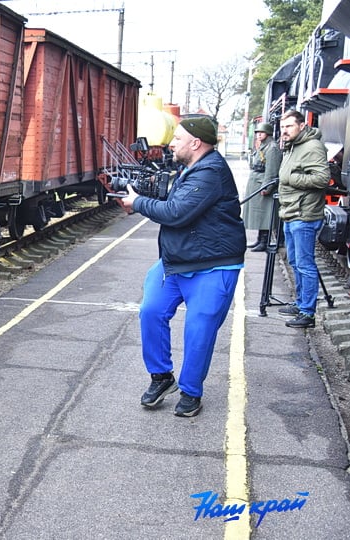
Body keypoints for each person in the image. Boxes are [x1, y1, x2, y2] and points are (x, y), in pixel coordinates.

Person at [120, 117, 246, 417]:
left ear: (195, 143)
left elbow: (177, 213)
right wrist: (144, 191)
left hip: (213, 265)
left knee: (199, 330)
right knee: (151, 311)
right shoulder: (190, 169)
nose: (171, 143)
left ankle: (191, 392)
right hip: (176, 260)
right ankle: (161, 377)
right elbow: (173, 198)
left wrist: (137, 203)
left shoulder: (211, 172)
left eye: (177, 138)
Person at [276, 109, 330, 328]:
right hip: (291, 212)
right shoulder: (293, 146)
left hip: (303, 215)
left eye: (288, 126)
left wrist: (290, 177)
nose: (284, 131)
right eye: (282, 127)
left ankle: (307, 313)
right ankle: (300, 303)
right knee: (296, 262)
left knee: (305, 264)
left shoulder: (312, 147)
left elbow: (322, 178)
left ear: (301, 125)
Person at [243, 122, 282, 252]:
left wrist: (267, 187)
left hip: (262, 184)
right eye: (257, 133)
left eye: (261, 132)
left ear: (268, 133)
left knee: (265, 215)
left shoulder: (272, 148)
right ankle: (260, 240)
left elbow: (271, 170)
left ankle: (264, 241)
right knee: (260, 215)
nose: (258, 135)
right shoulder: (264, 146)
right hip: (257, 182)